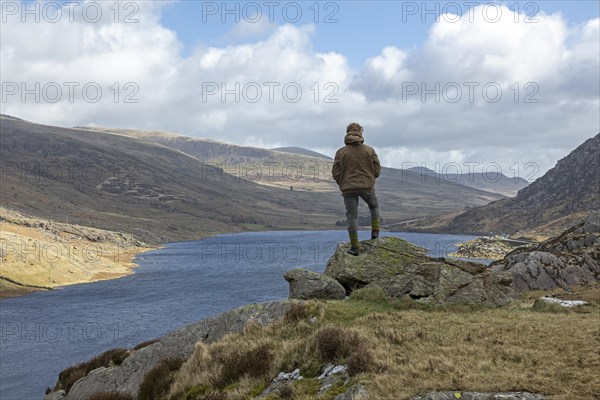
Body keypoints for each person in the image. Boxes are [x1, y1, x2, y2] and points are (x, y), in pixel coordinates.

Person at [332, 122, 381, 256]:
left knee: (352, 217)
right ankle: (375, 233)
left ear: (347, 133)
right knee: (374, 207)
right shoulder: (369, 150)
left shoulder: (341, 152)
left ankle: (355, 247)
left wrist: (342, 182)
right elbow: (377, 169)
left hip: (348, 188)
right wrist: (370, 179)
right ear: (361, 133)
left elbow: (335, 172)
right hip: (367, 186)